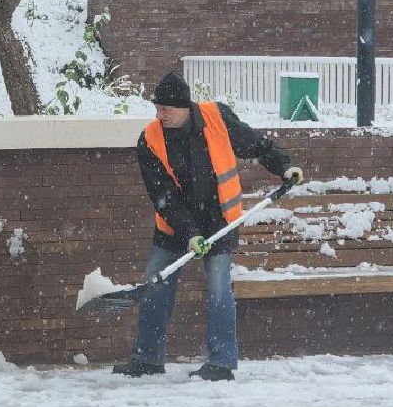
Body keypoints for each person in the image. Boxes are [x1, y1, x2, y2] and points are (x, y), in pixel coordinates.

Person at [113, 72, 303, 381]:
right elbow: (164, 197)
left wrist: (284, 167)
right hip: (175, 226)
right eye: (157, 109)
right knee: (155, 284)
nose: (160, 115)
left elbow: (256, 144)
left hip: (220, 222)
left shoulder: (217, 118)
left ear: (185, 106)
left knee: (218, 288)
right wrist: (190, 234)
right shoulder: (149, 139)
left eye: (166, 109)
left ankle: (222, 362)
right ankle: (147, 358)